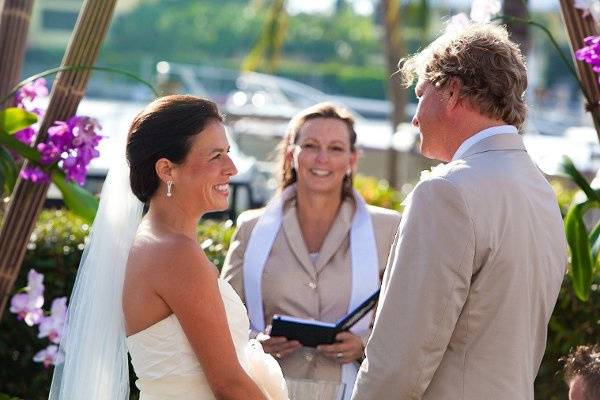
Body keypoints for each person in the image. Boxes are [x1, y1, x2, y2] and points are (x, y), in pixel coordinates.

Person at [351, 23, 567, 400]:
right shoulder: (540, 192)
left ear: (451, 90)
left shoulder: (446, 192)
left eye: (420, 93)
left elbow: (401, 358)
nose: (415, 116)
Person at [49, 95, 288, 400]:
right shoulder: (174, 254)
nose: (231, 167)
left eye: (227, 152)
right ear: (167, 170)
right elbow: (229, 385)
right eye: (215, 156)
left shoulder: (153, 242)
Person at [221, 102, 401, 399]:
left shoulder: (388, 229)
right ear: (292, 154)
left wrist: (364, 344)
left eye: (335, 148)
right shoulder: (251, 229)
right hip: (267, 390)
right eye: (310, 145)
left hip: (352, 390)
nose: (322, 158)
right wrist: (257, 342)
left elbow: (407, 317)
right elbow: (224, 318)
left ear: (352, 159)